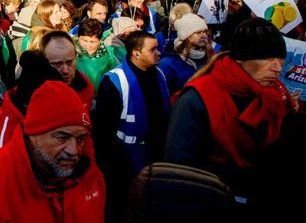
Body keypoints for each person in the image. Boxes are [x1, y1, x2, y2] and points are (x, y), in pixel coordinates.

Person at [164, 18, 299, 219]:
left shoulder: (275, 93)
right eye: (267, 59)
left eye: (280, 59)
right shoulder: (196, 98)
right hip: (215, 205)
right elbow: (178, 170)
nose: (277, 68)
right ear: (241, 59)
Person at [0, 81, 105, 223]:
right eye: (62, 137)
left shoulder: (90, 180)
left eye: (80, 138)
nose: (73, 151)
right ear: (34, 134)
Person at [93, 30, 169, 223]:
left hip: (154, 157)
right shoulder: (115, 81)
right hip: (124, 163)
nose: (159, 53)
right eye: (153, 50)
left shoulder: (159, 74)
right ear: (136, 53)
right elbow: (103, 130)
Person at [158, 14, 213, 95]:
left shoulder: (206, 56)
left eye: (205, 31)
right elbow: (162, 95)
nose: (204, 35)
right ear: (186, 35)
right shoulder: (167, 64)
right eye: (198, 32)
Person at [41, 31, 95, 110]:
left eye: (69, 62)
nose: (65, 71)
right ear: (43, 62)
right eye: (57, 64)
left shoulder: (86, 87)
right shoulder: (29, 92)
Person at [74, 19, 119, 93]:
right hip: (77, 95)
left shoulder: (107, 54)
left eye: (92, 42)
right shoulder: (72, 51)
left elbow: (113, 76)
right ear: (78, 37)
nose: (88, 46)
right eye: (84, 41)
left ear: (100, 40)